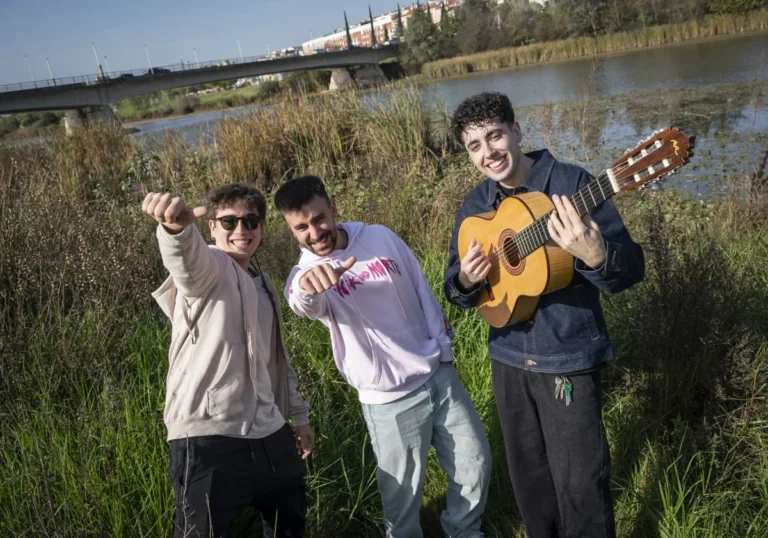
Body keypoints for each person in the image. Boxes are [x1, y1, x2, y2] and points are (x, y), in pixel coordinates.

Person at [444, 92, 645, 538]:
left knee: (580, 482)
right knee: (530, 482)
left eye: (494, 136)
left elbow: (632, 266)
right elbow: (454, 288)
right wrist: (468, 282)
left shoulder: (573, 185)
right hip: (508, 358)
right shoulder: (475, 205)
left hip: (567, 357)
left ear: (516, 132)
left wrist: (597, 257)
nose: (488, 152)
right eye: (474, 145)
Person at [275, 175, 491, 538]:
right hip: (388, 401)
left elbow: (420, 285)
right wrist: (307, 286)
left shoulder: (379, 236)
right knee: (402, 495)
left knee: (475, 463)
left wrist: (444, 349)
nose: (314, 232)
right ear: (292, 231)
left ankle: (464, 530)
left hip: (438, 374)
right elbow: (301, 299)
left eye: (319, 218)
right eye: (301, 227)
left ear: (333, 209)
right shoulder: (308, 273)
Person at [143, 184, 314, 538]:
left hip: (269, 430)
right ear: (212, 228)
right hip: (210, 436)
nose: (241, 230)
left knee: (291, 525)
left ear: (262, 229)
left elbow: (278, 359)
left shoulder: (264, 284)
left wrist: (298, 417)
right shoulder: (210, 266)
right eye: (229, 221)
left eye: (251, 221)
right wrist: (175, 229)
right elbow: (185, 260)